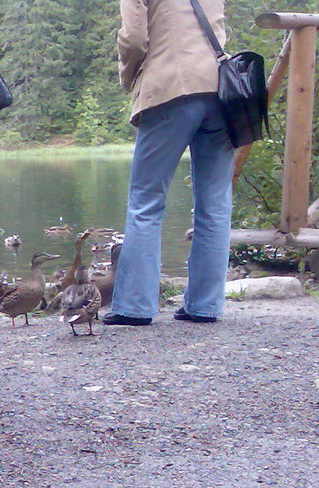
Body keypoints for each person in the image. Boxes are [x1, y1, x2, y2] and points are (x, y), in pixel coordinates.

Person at [105, 0, 233, 327]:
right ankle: (204, 306)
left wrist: (129, 78)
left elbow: (133, 39)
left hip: (169, 88)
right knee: (215, 203)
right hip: (221, 90)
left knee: (146, 201)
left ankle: (135, 306)